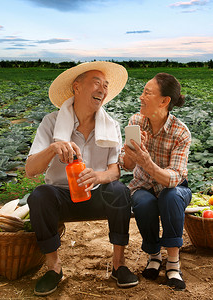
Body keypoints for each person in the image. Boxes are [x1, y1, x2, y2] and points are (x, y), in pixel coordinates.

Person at [25, 61, 138, 296]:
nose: (102, 89)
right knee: (39, 196)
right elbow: (30, 170)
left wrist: (98, 176)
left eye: (105, 85)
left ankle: (119, 265)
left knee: (118, 190)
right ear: (77, 87)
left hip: (96, 193)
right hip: (61, 197)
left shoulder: (111, 126)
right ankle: (54, 268)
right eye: (96, 82)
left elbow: (115, 170)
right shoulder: (51, 122)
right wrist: (53, 148)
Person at [118, 73, 192, 291]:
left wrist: (148, 163)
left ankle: (173, 263)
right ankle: (154, 255)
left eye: (147, 93)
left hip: (176, 188)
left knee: (170, 197)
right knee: (142, 202)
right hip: (143, 186)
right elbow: (129, 166)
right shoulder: (136, 121)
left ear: (164, 101)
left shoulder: (181, 133)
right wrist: (132, 153)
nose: (141, 97)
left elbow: (174, 178)